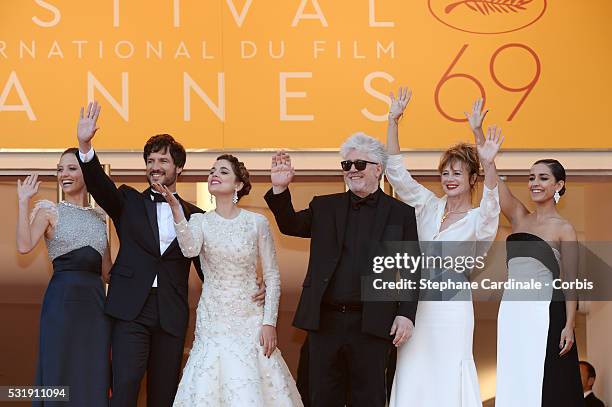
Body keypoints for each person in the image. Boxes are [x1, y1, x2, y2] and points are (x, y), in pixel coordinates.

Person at [74, 102, 266, 406]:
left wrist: (251, 287)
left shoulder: (197, 216)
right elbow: (98, 184)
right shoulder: (127, 201)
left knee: (164, 395)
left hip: (171, 313)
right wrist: (85, 146)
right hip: (130, 311)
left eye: (163, 160)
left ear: (178, 167)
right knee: (124, 388)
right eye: (150, 160)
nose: (155, 166)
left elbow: (212, 268)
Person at [264, 133, 421, 407]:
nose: (351, 171)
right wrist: (280, 190)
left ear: (378, 168)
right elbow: (291, 225)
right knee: (323, 397)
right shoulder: (325, 206)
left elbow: (408, 267)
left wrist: (405, 314)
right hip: (326, 322)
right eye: (346, 165)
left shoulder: (401, 213)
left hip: (373, 322)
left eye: (359, 164)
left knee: (370, 399)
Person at [153, 154, 302, 406]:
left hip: (250, 317)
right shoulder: (200, 220)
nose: (214, 174)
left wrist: (269, 322)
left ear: (238, 185)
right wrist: (176, 209)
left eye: (223, 171)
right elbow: (189, 249)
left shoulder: (257, 223)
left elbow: (272, 276)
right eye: (212, 170)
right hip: (213, 317)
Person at [385, 91, 502, 407]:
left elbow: (493, 201)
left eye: (457, 173)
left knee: (449, 371)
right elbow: (397, 174)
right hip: (416, 306)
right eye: (445, 172)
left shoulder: (479, 220)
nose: (449, 179)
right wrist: (393, 121)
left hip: (452, 308)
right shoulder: (428, 206)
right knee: (411, 370)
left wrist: (487, 156)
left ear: (472, 178)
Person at [469, 101, 584, 406]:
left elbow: (570, 282)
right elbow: (493, 179)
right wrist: (479, 133)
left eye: (543, 178)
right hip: (512, 311)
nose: (534, 183)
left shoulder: (564, 229)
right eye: (532, 177)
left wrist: (569, 325)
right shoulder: (519, 216)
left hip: (545, 311)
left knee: (542, 380)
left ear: (559, 185)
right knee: (513, 375)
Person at [16, 149, 112, 406]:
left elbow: (107, 272)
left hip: (95, 310)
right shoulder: (49, 211)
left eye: (71, 168)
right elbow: (24, 246)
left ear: (87, 172)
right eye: (60, 169)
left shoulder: (100, 218)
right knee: (59, 370)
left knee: (92, 373)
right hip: (61, 307)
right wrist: (23, 202)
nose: (64, 175)